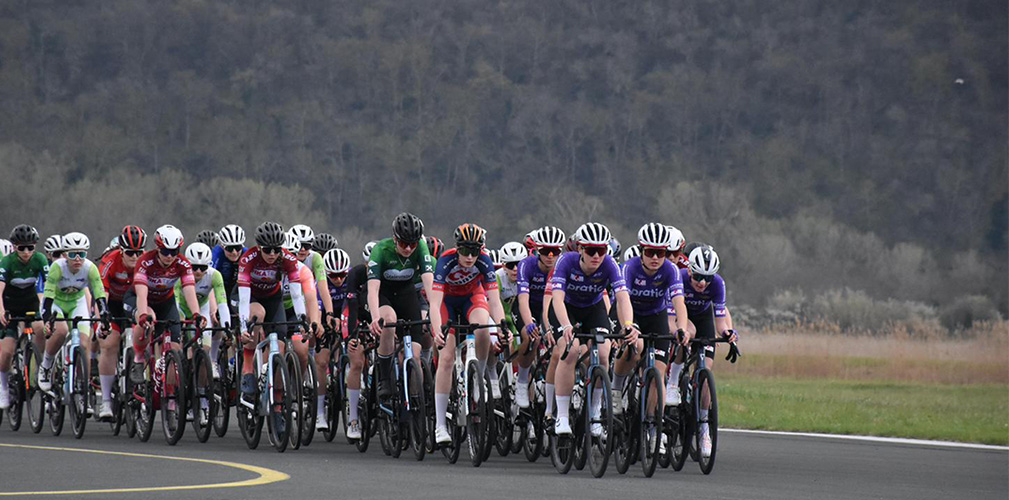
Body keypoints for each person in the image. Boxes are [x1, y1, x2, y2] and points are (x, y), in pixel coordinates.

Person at [548, 222, 634, 436]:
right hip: (567, 308)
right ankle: (562, 417)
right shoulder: (565, 262)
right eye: (591, 250)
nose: (597, 255)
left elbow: (622, 298)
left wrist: (628, 325)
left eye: (602, 250)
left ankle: (594, 413)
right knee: (570, 351)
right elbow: (556, 298)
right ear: (580, 249)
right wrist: (566, 325)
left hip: (593, 308)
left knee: (604, 354)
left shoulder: (610, 264)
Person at [429, 223, 507, 444]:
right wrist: (437, 332)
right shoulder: (446, 261)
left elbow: (494, 301)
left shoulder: (484, 261)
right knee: (446, 357)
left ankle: (477, 380)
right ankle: (440, 425)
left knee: (483, 327)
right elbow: (434, 304)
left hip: (471, 298)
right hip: (447, 303)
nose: (470, 257)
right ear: (457, 248)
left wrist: (502, 326)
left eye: (475, 251)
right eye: (465, 251)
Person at [610, 223, 688, 419]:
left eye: (660, 253)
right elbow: (622, 300)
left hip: (656, 315)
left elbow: (679, 303)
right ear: (642, 250)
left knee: (658, 375)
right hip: (630, 312)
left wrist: (682, 329)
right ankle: (616, 389)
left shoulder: (671, 270)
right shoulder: (629, 268)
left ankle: (653, 428)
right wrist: (628, 326)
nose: (655, 258)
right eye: (651, 252)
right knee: (634, 348)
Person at [236, 222, 308, 414]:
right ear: (259, 247)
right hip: (252, 297)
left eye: (276, 250)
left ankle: (276, 405)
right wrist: (244, 327)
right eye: (267, 250)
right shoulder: (248, 259)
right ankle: (249, 370)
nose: (272, 254)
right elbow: (243, 300)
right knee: (256, 316)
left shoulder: (287, 259)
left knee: (281, 345)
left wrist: (302, 320)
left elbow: (296, 294)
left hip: (273, 299)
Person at [673, 246, 737, 458]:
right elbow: (672, 316)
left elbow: (720, 320)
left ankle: (703, 429)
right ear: (690, 270)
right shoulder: (679, 277)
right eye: (698, 276)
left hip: (703, 319)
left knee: (706, 371)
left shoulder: (718, 284)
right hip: (679, 316)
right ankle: (674, 383)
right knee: (683, 341)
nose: (702, 283)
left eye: (707, 278)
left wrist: (728, 333)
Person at [128, 225, 205, 392]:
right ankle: (139, 359)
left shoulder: (183, 263)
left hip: (166, 302)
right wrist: (142, 315)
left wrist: (197, 314)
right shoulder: (145, 261)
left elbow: (189, 289)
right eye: (165, 251)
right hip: (142, 299)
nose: (169, 256)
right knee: (149, 317)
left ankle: (170, 400)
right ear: (157, 248)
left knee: (175, 349)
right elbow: (141, 294)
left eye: (174, 251)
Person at [366, 213, 434, 399]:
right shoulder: (381, 250)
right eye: (404, 243)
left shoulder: (420, 248)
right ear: (395, 239)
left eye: (413, 243)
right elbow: (372, 290)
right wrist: (374, 318)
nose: (409, 248)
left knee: (414, 356)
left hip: (407, 295)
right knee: (388, 321)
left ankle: (413, 403)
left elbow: (430, 287)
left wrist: (436, 317)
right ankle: (385, 378)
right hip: (384, 295)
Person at [38, 232, 110, 397]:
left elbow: (99, 293)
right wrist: (47, 319)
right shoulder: (57, 267)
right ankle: (46, 366)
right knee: (61, 331)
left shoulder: (90, 268)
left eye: (82, 254)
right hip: (56, 302)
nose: (78, 258)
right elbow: (48, 295)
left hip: (76, 303)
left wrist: (104, 313)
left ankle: (82, 384)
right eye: (72, 254)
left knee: (84, 343)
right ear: (65, 255)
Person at [96, 225, 147, 418]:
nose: (135, 257)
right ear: (121, 250)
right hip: (112, 305)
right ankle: (106, 401)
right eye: (130, 253)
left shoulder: (146, 263)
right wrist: (103, 319)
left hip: (134, 304)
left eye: (139, 252)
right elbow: (102, 293)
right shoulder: (110, 261)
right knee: (109, 344)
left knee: (143, 335)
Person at [513, 226, 565, 409]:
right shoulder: (526, 265)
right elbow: (522, 300)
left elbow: (555, 303)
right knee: (531, 338)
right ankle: (521, 380)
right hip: (527, 307)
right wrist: (528, 323)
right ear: (536, 251)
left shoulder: (561, 267)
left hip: (550, 308)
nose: (550, 255)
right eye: (545, 251)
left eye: (555, 251)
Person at [0, 225, 47, 410]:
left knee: (41, 329)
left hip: (30, 302)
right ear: (15, 247)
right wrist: (1, 310)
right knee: (6, 352)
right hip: (9, 303)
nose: (26, 252)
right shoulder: (7, 262)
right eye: (21, 248)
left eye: (30, 248)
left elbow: (49, 283)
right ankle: (3, 388)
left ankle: (36, 367)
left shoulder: (40, 259)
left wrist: (48, 309)